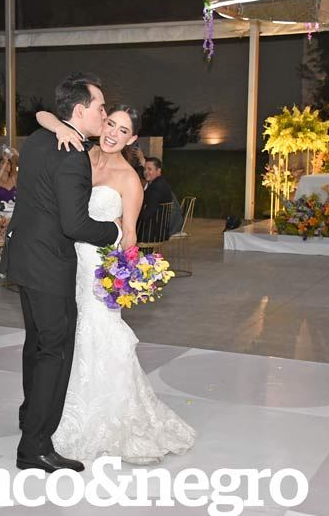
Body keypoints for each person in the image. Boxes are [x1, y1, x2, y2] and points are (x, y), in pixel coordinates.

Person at [37, 105, 196, 465]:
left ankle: (99, 420)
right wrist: (60, 128)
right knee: (65, 335)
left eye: (123, 130)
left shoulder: (129, 179)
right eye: (110, 124)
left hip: (97, 269)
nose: (113, 133)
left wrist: (126, 277)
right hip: (65, 261)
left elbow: (130, 234)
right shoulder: (81, 153)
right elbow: (43, 116)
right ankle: (57, 412)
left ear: (132, 138)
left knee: (97, 335)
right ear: (102, 122)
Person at [1, 72, 122, 474]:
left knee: (36, 343)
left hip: (24, 255)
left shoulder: (38, 139)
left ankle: (29, 416)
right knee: (55, 351)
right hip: (50, 263)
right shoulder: (72, 155)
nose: (104, 114)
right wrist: (115, 231)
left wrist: (52, 121)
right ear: (80, 110)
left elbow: (41, 116)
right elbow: (76, 225)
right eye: (100, 107)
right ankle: (35, 446)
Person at [138, 156, 175, 241]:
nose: (146, 172)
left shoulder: (156, 187)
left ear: (158, 171)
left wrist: (132, 213)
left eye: (149, 169)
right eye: (145, 169)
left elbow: (148, 213)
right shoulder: (161, 182)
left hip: (152, 232)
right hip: (159, 228)